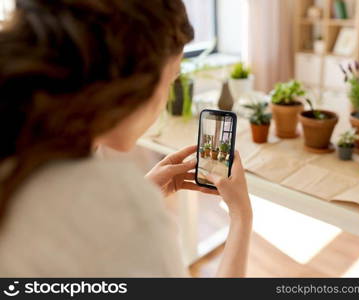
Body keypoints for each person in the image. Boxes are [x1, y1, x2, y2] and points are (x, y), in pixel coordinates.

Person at [0, 0, 252, 277]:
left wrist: (144, 191)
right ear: (138, 80)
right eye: (171, 80)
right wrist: (241, 216)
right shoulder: (124, 206)